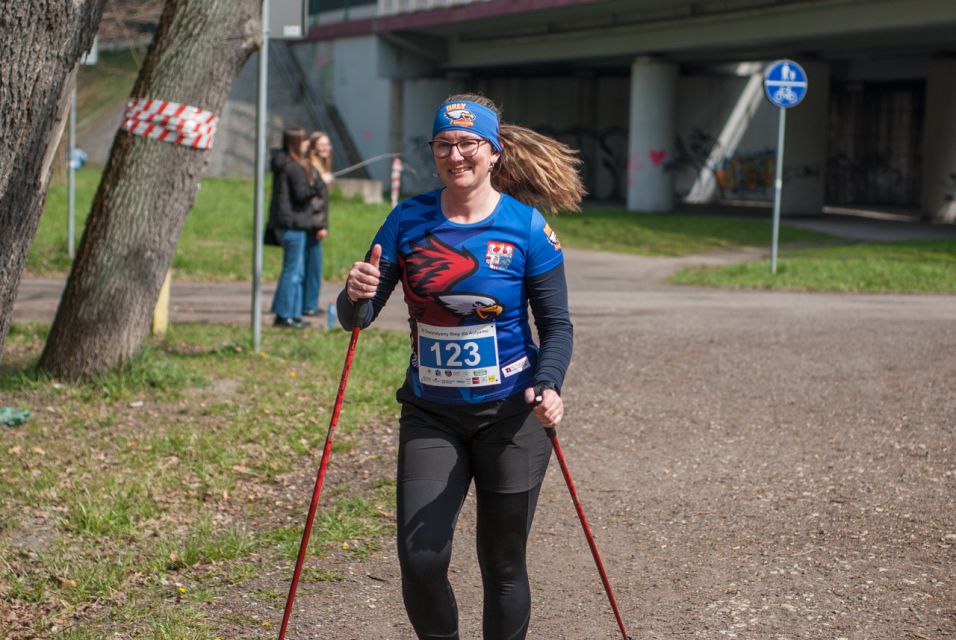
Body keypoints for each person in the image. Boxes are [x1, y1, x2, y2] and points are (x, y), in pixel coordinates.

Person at [336, 93, 585, 639]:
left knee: (502, 564)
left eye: (468, 144)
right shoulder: (407, 219)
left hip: (512, 415)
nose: (456, 155)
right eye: (444, 144)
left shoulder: (526, 228)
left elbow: (558, 326)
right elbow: (359, 315)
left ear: (493, 151)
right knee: (421, 560)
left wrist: (549, 383)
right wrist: (354, 292)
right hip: (433, 414)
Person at [268, 127, 324, 329]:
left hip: (287, 225)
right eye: (304, 141)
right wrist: (317, 186)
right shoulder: (293, 167)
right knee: (292, 272)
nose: (307, 144)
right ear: (295, 143)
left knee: (296, 271)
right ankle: (284, 315)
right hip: (293, 225)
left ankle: (292, 314)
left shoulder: (286, 164)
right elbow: (301, 195)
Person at [301, 132, 333, 317]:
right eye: (321, 144)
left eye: (327, 144)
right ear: (313, 147)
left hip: (313, 224)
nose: (325, 148)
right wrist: (320, 225)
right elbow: (314, 202)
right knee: (313, 267)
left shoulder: (319, 167)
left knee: (312, 265)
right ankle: (309, 305)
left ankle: (308, 303)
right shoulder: (312, 167)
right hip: (313, 225)